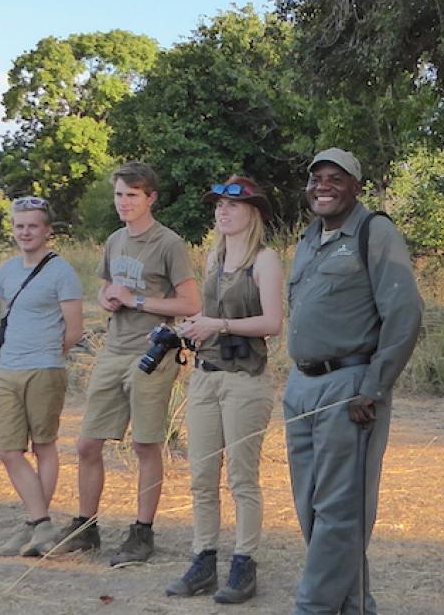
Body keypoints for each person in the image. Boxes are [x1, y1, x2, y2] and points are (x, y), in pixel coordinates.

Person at [283, 148, 423, 614]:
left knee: (341, 510)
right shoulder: (308, 238)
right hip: (301, 387)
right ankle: (354, 607)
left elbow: (404, 314)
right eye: (316, 178)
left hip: (349, 389)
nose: (323, 186)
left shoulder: (374, 231)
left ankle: (312, 607)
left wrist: (374, 387)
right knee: (311, 506)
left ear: (356, 187)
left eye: (335, 178)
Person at [51, 162, 200, 565]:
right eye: (119, 194)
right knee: (87, 443)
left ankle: (142, 532)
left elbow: (191, 303)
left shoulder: (168, 243)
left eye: (132, 195)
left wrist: (136, 300)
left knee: (144, 444)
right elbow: (105, 288)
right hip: (113, 349)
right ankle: (86, 527)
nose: (124, 202)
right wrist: (107, 298)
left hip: (152, 352)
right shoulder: (115, 240)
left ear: (151, 198)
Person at [164, 176, 283, 604]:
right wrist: (188, 329)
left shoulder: (264, 260)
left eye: (232, 205)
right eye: (218, 205)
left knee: (241, 479)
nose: (222, 211)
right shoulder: (214, 256)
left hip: (245, 380)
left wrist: (220, 325)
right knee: (201, 476)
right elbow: (209, 315)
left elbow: (272, 323)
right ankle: (203, 560)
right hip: (205, 375)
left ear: (254, 213)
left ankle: (244, 564)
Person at [0, 196, 84, 557]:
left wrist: (49, 355)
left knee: (44, 445)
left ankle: (35, 526)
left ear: (47, 231)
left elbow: (74, 329)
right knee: (9, 450)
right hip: (8, 368)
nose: (25, 232)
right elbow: (7, 316)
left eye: (32, 226)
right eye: (19, 226)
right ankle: (40, 524)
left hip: (45, 367)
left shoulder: (62, 272)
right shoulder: (6, 271)